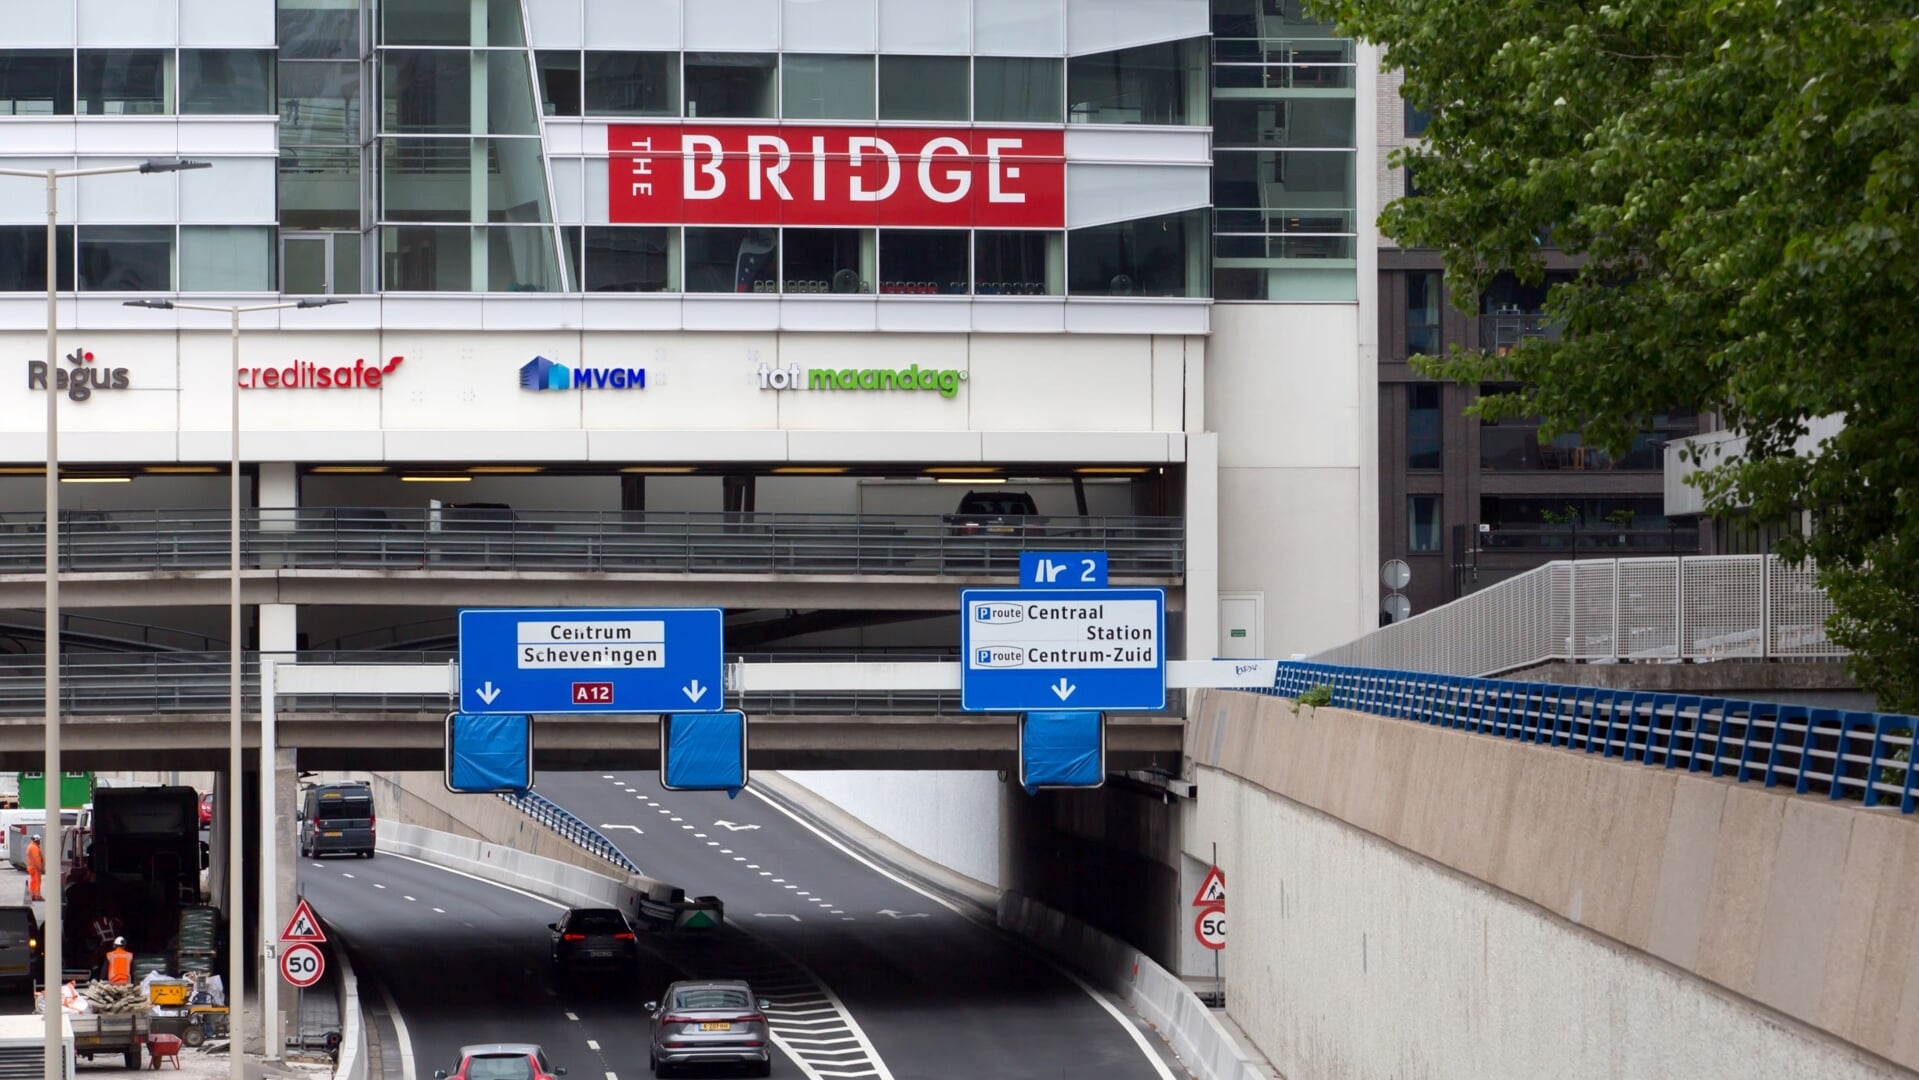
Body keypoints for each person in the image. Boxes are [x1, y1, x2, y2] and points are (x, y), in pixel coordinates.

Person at [24, 835, 43, 902]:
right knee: (37, 881)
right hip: (35, 868)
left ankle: (33, 895)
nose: (39, 841)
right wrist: (40, 867)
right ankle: (37, 896)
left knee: (33, 881)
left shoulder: (31, 846)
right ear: (36, 840)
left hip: (32, 867)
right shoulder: (34, 847)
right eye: (39, 840)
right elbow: (36, 858)